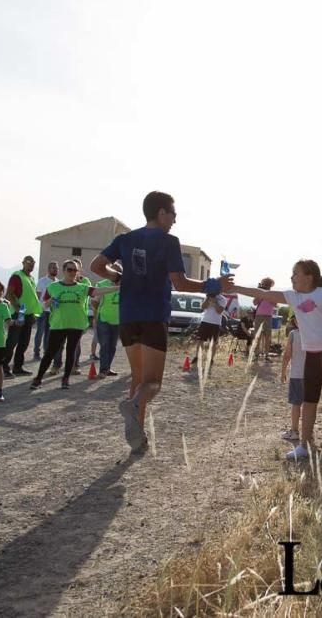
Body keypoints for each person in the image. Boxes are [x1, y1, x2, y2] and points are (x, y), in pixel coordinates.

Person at [90, 191, 232, 454]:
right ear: (161, 212)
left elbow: (97, 266)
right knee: (153, 383)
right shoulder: (168, 242)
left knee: (138, 379)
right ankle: (133, 408)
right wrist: (214, 284)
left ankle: (137, 437)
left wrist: (117, 277)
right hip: (153, 315)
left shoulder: (124, 239)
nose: (175, 220)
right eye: (173, 214)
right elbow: (180, 283)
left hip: (128, 316)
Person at [230, 260, 322, 461]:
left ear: (309, 276)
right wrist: (233, 287)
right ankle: (304, 445)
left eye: (296, 273)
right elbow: (263, 294)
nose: (292, 277)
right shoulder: (292, 296)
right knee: (309, 400)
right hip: (312, 353)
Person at [30, 260, 118, 390]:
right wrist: (49, 302)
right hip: (58, 325)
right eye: (69, 270)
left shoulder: (82, 288)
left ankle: (65, 379)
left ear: (78, 272)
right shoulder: (53, 287)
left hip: (76, 325)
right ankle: (38, 379)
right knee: (50, 353)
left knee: (71, 352)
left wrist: (119, 287)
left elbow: (100, 291)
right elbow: (42, 305)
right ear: (64, 271)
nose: (72, 273)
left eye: (75, 270)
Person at [3, 255, 42, 377]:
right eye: (29, 261)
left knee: (24, 342)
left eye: (33, 262)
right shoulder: (17, 276)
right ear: (23, 263)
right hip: (18, 314)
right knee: (12, 341)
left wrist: (34, 313)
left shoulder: (31, 278)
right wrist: (18, 309)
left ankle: (18, 367)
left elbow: (32, 297)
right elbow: (9, 294)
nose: (31, 264)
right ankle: (4, 367)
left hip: (29, 314)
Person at [279, 316, 304, 441]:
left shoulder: (293, 334)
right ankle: (307, 431)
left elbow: (287, 355)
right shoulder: (315, 333)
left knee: (296, 403)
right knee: (309, 404)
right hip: (312, 375)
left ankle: (294, 430)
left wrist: (283, 371)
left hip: (297, 374)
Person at [95, 263, 122, 377]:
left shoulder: (126, 286)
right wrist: (96, 316)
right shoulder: (101, 285)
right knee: (105, 344)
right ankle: (102, 370)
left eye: (118, 273)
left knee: (113, 346)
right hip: (104, 319)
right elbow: (95, 302)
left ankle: (107, 368)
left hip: (118, 320)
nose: (115, 275)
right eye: (113, 272)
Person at [193, 291, 226, 372]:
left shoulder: (223, 299)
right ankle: (197, 357)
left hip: (215, 323)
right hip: (205, 321)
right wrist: (208, 300)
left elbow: (219, 311)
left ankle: (211, 359)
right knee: (200, 340)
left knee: (213, 342)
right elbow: (203, 307)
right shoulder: (208, 297)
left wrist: (214, 302)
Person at [34, 261, 59, 361]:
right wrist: (36, 310)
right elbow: (37, 297)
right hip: (42, 311)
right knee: (40, 332)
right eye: (53, 268)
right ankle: (36, 352)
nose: (55, 270)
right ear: (49, 269)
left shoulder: (58, 282)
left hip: (53, 312)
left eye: (56, 268)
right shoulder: (42, 281)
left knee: (49, 334)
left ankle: (46, 352)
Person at [252, 278, 276, 360]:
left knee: (267, 336)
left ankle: (266, 354)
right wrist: (261, 295)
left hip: (268, 316)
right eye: (266, 284)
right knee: (257, 335)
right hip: (260, 316)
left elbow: (275, 304)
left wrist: (268, 296)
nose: (267, 285)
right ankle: (257, 354)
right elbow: (255, 302)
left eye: (268, 284)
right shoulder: (260, 292)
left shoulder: (272, 294)